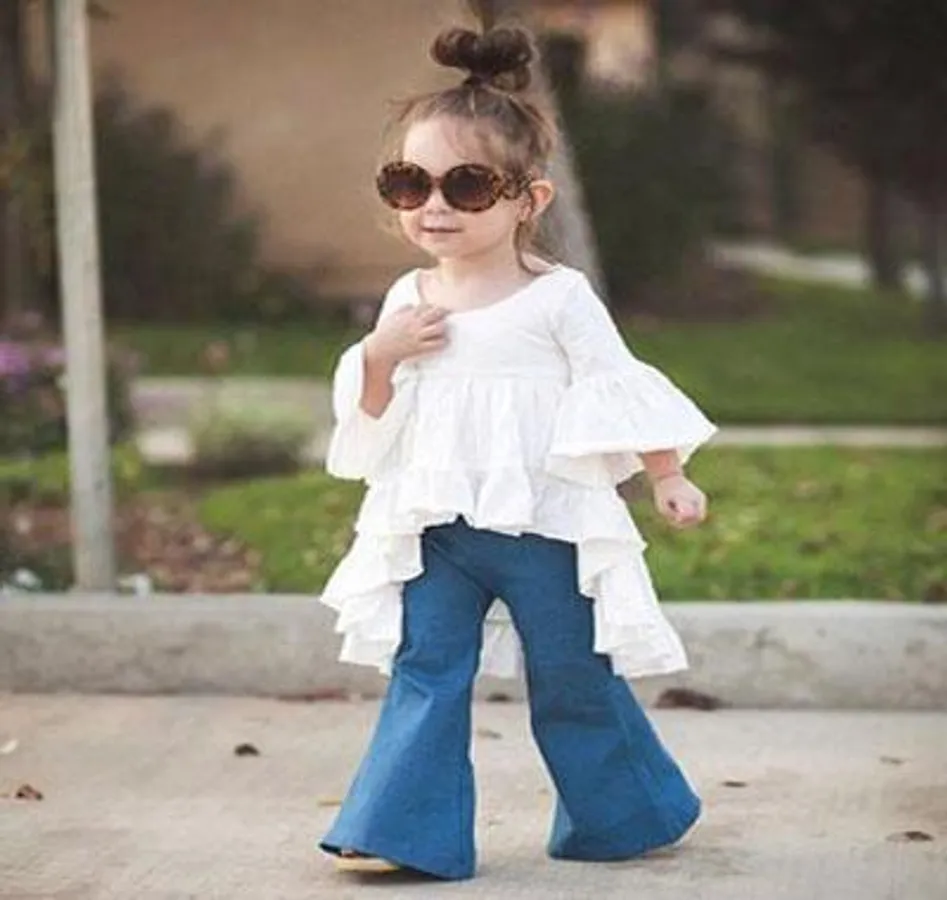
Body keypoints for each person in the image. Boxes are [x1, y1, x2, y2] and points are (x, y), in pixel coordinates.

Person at [316, 24, 718, 882]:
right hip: (437, 527)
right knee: (426, 668)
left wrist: (667, 472)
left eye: (465, 185)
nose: (433, 205)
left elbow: (616, 385)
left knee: (572, 674)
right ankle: (400, 831)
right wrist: (379, 354)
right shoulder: (407, 297)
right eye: (408, 183)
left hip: (546, 525)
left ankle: (629, 814)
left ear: (527, 199)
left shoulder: (557, 299)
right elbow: (374, 417)